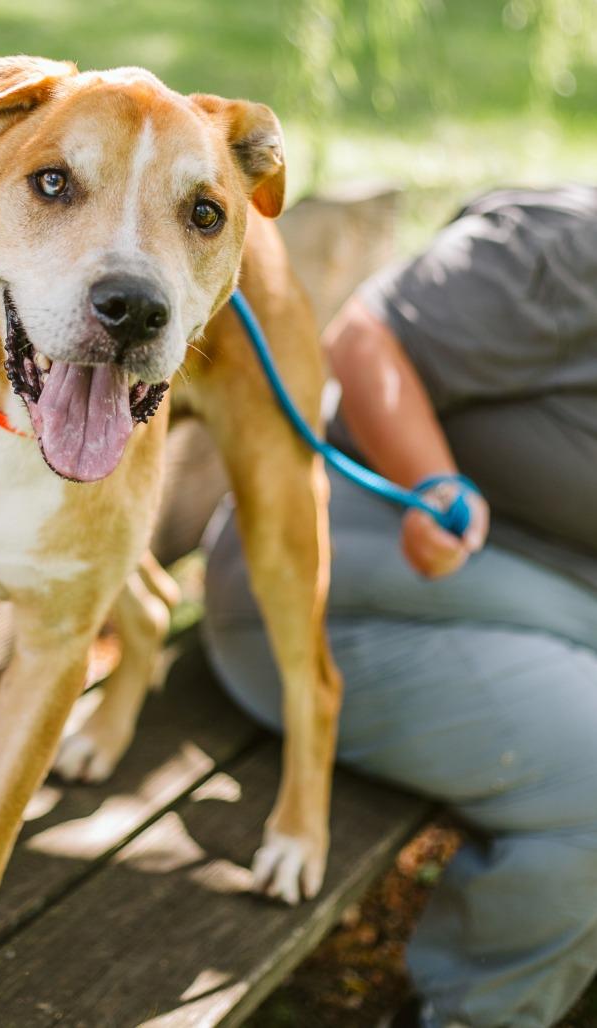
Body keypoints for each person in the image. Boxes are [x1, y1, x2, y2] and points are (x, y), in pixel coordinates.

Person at [201, 185, 597, 1028]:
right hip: (328, 592)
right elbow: (365, 336)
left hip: (526, 603)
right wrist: (432, 483)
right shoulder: (571, 245)